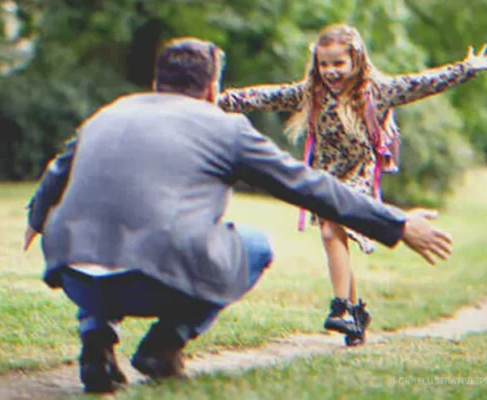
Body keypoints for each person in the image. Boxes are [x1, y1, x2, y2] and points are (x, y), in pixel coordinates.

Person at [23, 37, 453, 394]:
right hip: (156, 280)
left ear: (156, 83)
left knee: (102, 231)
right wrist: (396, 223)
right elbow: (309, 186)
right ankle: (164, 344)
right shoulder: (226, 129)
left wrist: (36, 216)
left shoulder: (108, 112)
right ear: (213, 90)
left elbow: (59, 168)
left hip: (73, 272)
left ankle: (95, 336)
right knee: (255, 245)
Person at [217, 23, 487, 345]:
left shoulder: (377, 91)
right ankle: (355, 312)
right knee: (335, 236)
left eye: (338, 63)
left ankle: (342, 307)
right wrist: (219, 99)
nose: (331, 71)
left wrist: (466, 69)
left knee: (329, 230)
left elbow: (423, 83)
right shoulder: (312, 92)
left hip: (360, 173)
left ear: (356, 60)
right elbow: (267, 96)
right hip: (325, 174)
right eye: (324, 64)